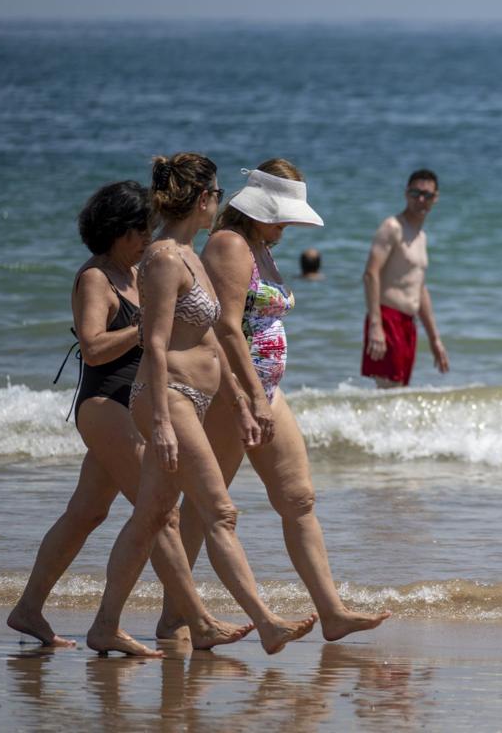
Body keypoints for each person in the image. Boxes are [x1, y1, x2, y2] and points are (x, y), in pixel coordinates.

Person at [86, 153, 317, 657]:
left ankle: (106, 624)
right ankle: (265, 623)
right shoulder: (165, 258)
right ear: (205, 198)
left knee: (152, 516)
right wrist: (163, 423)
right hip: (169, 399)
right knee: (221, 511)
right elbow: (156, 343)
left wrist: (238, 394)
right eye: (216, 195)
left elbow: (214, 337)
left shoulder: (191, 253)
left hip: (197, 397)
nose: (220, 204)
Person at [8, 181, 251, 651]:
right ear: (116, 231)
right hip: (103, 405)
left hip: (135, 403)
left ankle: (28, 608)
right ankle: (195, 620)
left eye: (149, 227)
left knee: (86, 513)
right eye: (139, 228)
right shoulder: (95, 278)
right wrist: (144, 331)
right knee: (161, 515)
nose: (147, 235)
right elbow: (94, 347)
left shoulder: (140, 271)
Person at [157, 161, 390, 642]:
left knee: (299, 499)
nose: (286, 225)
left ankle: (332, 612)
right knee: (207, 506)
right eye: (280, 216)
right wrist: (248, 399)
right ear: (256, 209)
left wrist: (264, 396)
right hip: (231, 394)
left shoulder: (259, 245)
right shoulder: (229, 245)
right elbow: (225, 327)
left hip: (266, 393)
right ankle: (177, 615)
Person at [361, 169, 449, 387]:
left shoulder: (421, 237)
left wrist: (434, 339)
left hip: (409, 324)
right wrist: (376, 324)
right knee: (388, 393)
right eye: (415, 193)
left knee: (398, 394)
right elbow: (371, 274)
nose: (421, 199)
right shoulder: (392, 227)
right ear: (406, 194)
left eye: (427, 195)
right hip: (387, 319)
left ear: (436, 198)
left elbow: (419, 288)